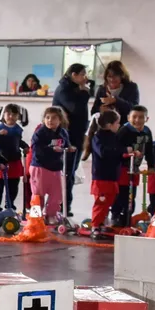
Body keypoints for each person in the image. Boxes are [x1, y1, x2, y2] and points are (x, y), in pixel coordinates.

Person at [52, 63, 92, 216]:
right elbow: (75, 107)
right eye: (82, 74)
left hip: (77, 134)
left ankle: (65, 205)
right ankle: (62, 205)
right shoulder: (64, 89)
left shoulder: (73, 88)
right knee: (66, 171)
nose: (85, 77)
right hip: (67, 136)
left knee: (71, 171)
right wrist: (84, 93)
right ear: (73, 75)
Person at [30, 107, 74, 223]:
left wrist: (69, 148)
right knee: (38, 194)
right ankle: (36, 216)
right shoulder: (40, 133)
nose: (50, 120)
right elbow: (36, 149)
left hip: (56, 168)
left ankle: (51, 214)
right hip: (40, 167)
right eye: (47, 117)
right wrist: (51, 150)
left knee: (57, 194)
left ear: (60, 120)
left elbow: (66, 144)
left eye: (54, 118)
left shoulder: (63, 132)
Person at [113, 105, 155, 226]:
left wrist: (151, 166)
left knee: (131, 195)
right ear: (128, 117)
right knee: (121, 193)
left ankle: (127, 217)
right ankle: (116, 215)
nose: (137, 120)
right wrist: (126, 152)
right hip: (122, 167)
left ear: (147, 119)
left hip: (134, 168)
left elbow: (149, 150)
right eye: (134, 117)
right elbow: (116, 147)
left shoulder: (147, 131)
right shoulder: (124, 130)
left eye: (141, 117)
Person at [89, 110, 123, 229]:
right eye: (117, 123)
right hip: (101, 177)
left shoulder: (114, 137)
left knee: (109, 200)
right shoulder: (98, 137)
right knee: (101, 202)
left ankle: (102, 222)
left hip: (112, 176)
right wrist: (121, 152)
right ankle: (96, 225)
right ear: (109, 124)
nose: (119, 125)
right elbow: (103, 152)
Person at [0, 103, 27, 211]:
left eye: (14, 114)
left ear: (18, 116)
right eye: (8, 114)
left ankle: (9, 205)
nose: (11, 116)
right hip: (0, 161)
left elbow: (18, 142)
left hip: (14, 161)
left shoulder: (18, 129)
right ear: (3, 115)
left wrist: (25, 146)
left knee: (13, 187)